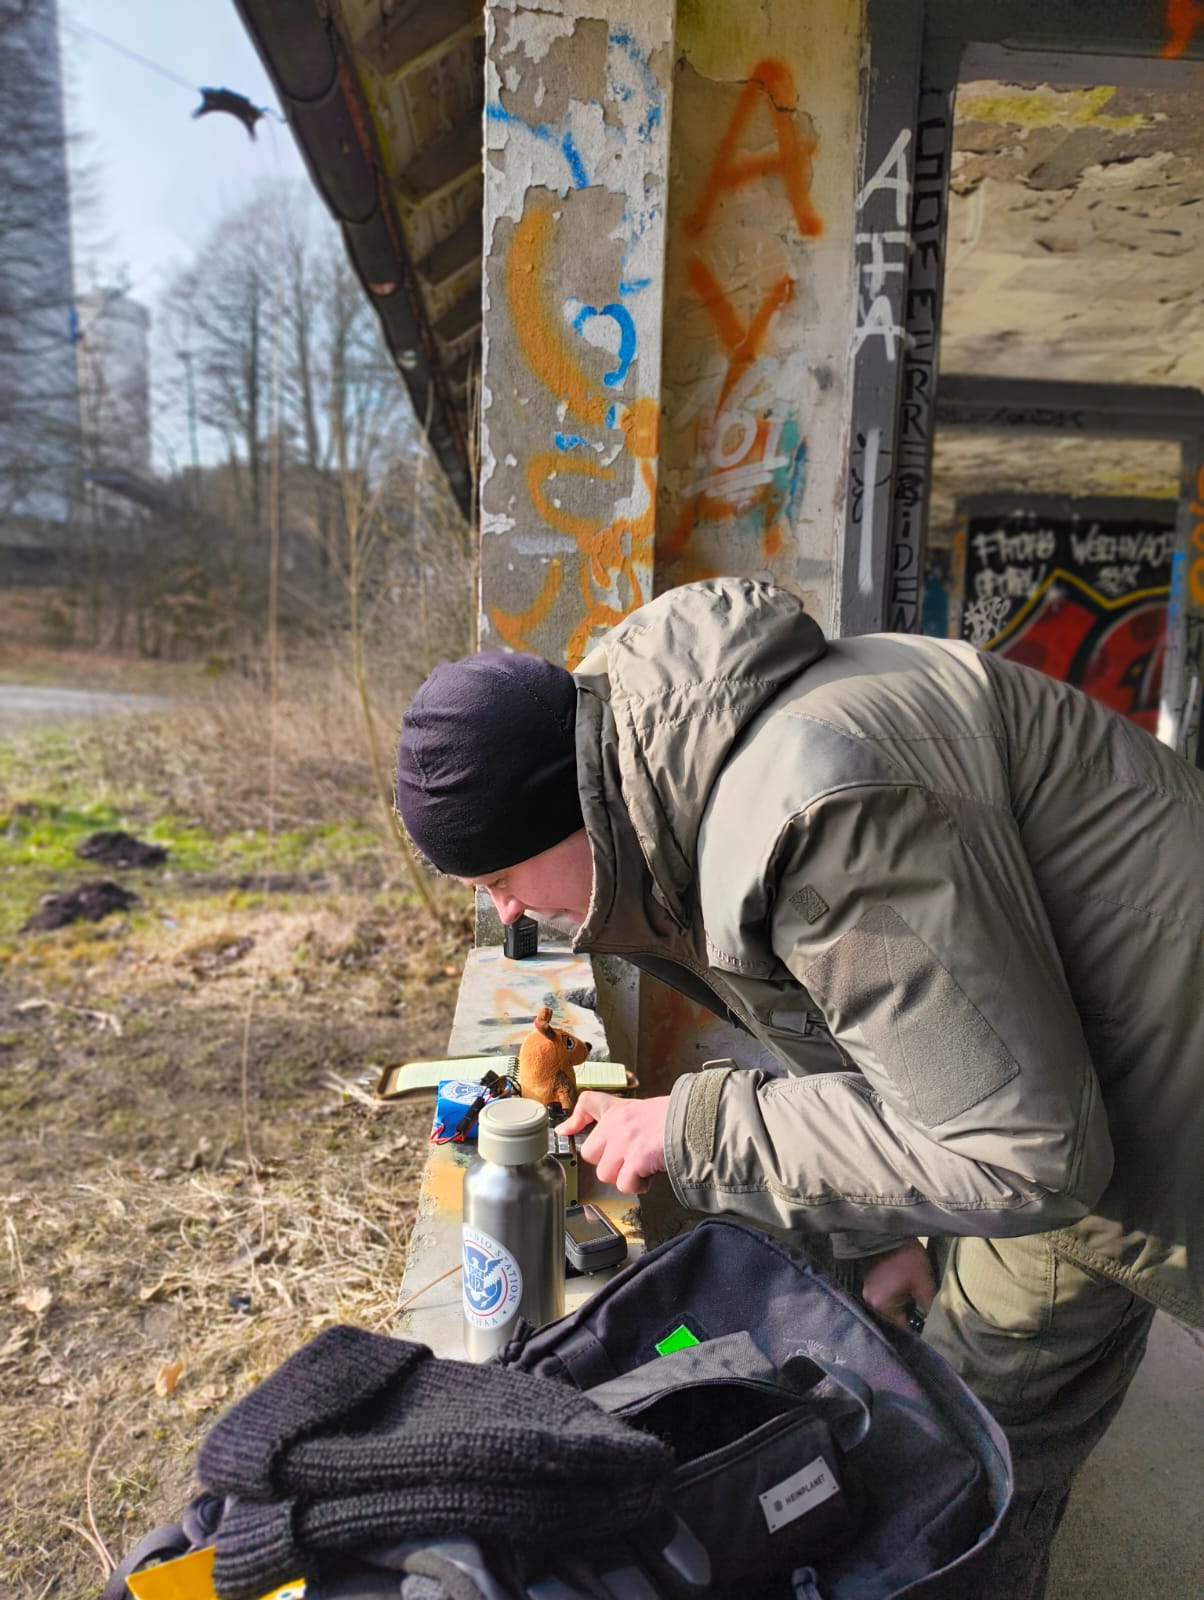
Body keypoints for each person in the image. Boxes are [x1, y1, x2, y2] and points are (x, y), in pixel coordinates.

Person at [396, 576, 1203, 1600]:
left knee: (957, 1458)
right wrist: (881, 1233)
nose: (508, 915)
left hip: (1147, 1089)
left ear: (563, 811)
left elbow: (1021, 1149)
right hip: (1081, 1074)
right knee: (972, 1415)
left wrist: (693, 1128)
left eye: (499, 880)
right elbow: (876, 1024)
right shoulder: (676, 761)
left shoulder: (812, 816)